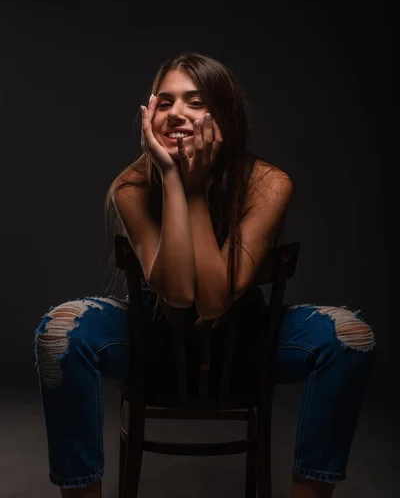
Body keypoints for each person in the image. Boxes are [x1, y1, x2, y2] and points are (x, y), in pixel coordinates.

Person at [34, 53, 376, 498]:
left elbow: (214, 300)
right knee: (58, 333)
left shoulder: (269, 182)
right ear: (148, 116)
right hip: (152, 339)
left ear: (224, 115)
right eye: (165, 102)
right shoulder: (131, 187)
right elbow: (177, 293)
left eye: (194, 102)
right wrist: (176, 180)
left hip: (246, 341)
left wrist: (194, 191)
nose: (176, 113)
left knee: (353, 339)